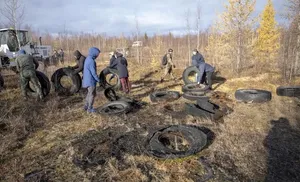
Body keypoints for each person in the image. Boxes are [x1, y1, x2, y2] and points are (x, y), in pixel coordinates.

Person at [82, 47, 101, 113]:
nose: (98, 55)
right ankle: (89, 109)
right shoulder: (91, 61)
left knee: (89, 94)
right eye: (97, 54)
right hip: (90, 81)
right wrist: (98, 80)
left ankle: (86, 106)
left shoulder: (88, 58)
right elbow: (93, 73)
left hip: (86, 80)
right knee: (92, 95)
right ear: (94, 53)